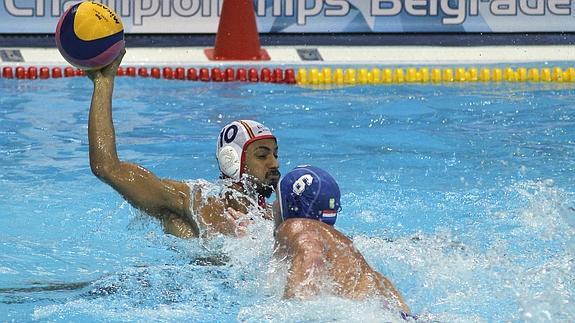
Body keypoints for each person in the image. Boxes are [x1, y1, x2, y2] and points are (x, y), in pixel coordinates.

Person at [86, 50, 280, 239]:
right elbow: (106, 167)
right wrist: (104, 82)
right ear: (232, 160)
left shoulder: (276, 220)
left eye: (275, 154)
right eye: (262, 155)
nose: (274, 163)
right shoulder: (191, 205)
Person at [273, 165, 413, 318]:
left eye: (277, 199)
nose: (273, 205)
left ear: (289, 205)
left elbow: (311, 260)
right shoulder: (342, 247)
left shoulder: (295, 227)